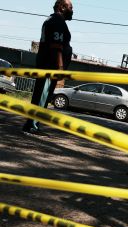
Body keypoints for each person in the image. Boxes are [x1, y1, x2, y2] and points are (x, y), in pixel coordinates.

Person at [23, 0, 74, 135]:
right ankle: (32, 126)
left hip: (46, 64)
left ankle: (32, 124)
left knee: (41, 95)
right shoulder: (57, 22)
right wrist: (60, 68)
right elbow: (56, 47)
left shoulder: (51, 19)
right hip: (49, 67)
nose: (72, 10)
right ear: (62, 7)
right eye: (70, 7)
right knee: (42, 96)